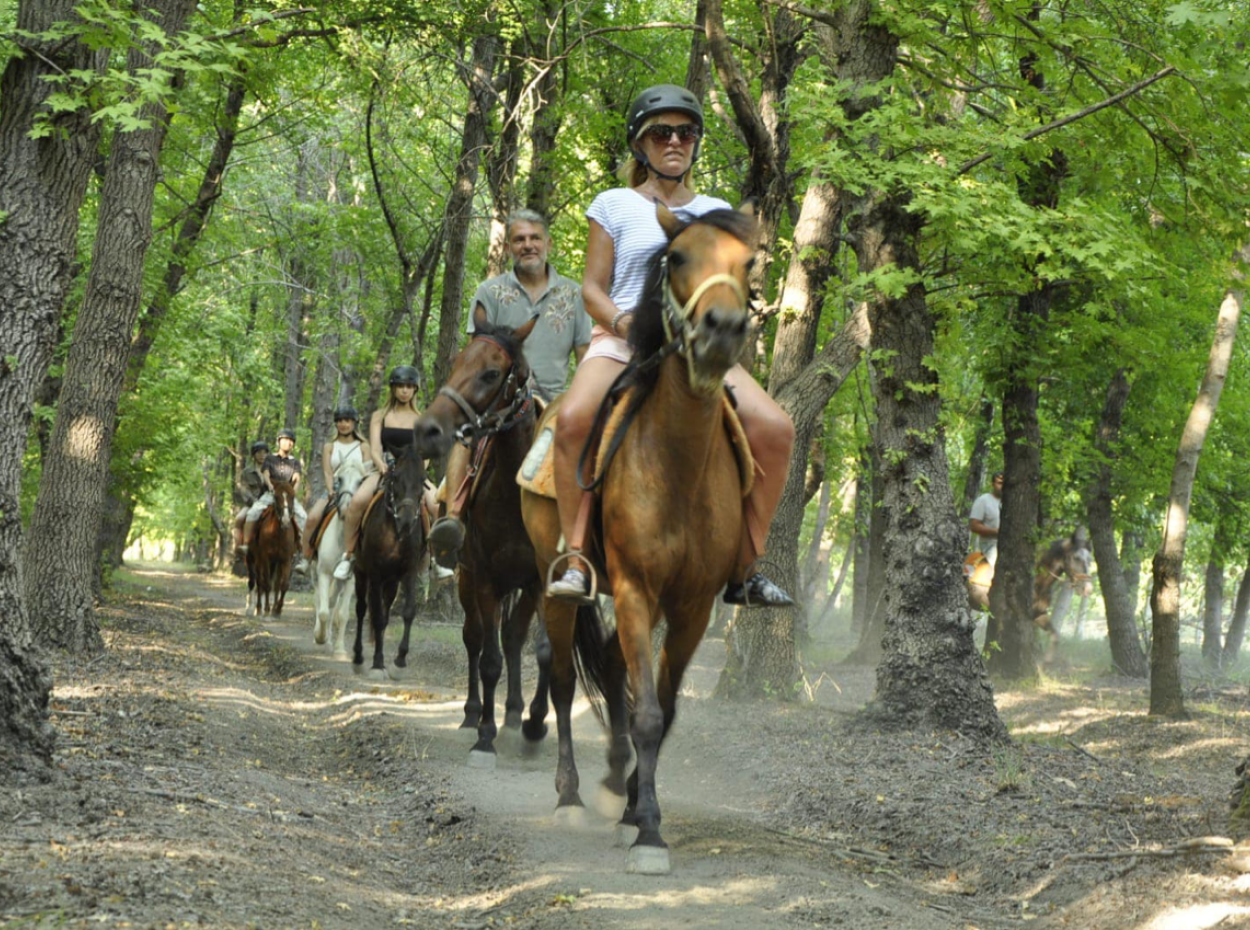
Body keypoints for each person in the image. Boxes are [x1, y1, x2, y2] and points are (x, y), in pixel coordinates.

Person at [546, 83, 796, 607]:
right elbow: (592, 287)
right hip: (623, 345)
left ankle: (746, 567)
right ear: (641, 144)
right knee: (571, 421)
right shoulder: (613, 203)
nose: (674, 141)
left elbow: (730, 281)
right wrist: (620, 321)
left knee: (775, 428)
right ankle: (574, 559)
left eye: (686, 132)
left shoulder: (716, 208)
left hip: (696, 349)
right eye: (660, 133)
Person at [427, 208, 592, 568]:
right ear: (509, 249)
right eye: (519, 239)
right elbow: (475, 357)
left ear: (548, 243)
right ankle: (453, 519)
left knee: (590, 456)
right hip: (498, 402)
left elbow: (586, 359)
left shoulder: (574, 295)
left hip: (552, 401)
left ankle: (584, 545)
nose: (528, 245)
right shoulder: (491, 291)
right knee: (466, 436)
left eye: (535, 238)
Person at [334, 366, 423, 580]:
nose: (404, 391)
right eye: (400, 386)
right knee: (356, 502)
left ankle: (434, 560)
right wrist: (382, 466)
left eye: (409, 387)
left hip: (411, 472)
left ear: (414, 390)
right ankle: (348, 555)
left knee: (436, 504)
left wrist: (420, 470)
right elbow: (375, 448)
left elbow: (425, 451)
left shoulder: (422, 418)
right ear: (393, 388)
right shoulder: (379, 416)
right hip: (384, 468)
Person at [301, 406, 371, 561]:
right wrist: (330, 489)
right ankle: (306, 557)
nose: (343, 424)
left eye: (347, 420)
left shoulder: (364, 446)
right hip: (336, 488)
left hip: (357, 489)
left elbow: (367, 472)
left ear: (354, 423)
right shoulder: (329, 446)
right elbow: (327, 472)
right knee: (312, 518)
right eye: (339, 421)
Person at [238, 428, 308, 558]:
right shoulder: (270, 459)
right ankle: (247, 544)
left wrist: (293, 491)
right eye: (285, 440)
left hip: (288, 495)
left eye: (291, 441)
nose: (288, 443)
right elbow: (266, 473)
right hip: (271, 494)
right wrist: (270, 485)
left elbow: (297, 478)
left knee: (303, 516)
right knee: (253, 512)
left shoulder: (295, 462)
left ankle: (304, 554)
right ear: (279, 442)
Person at [233, 441, 269, 553]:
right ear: (254, 455)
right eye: (259, 453)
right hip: (253, 503)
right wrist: (254, 502)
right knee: (239, 519)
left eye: (264, 453)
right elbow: (244, 490)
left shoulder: (272, 470)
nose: (262, 455)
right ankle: (241, 547)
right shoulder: (246, 472)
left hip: (270, 502)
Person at [969, 471, 1004, 567]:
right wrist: (996, 532)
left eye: (1005, 484)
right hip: (988, 550)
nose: (1002, 486)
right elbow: (974, 526)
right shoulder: (983, 500)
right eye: (999, 483)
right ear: (992, 484)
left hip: (1008, 550)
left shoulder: (1010, 503)